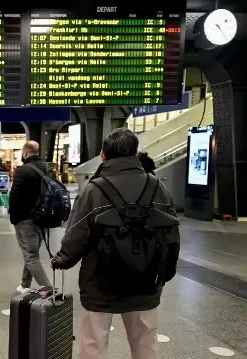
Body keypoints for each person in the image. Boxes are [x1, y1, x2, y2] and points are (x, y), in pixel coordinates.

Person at [51, 128, 180, 359]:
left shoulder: (94, 190)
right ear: (135, 153)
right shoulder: (157, 187)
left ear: (103, 156)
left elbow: (76, 235)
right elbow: (171, 235)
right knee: (145, 344)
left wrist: (62, 259)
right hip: (146, 281)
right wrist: (165, 273)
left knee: (94, 344)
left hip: (99, 283)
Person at [8, 141, 52, 294]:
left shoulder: (23, 171)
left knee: (31, 257)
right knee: (32, 253)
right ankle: (25, 285)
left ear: (26, 152)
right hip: (43, 219)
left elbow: (14, 197)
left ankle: (49, 290)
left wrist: (14, 219)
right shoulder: (48, 168)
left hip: (26, 219)